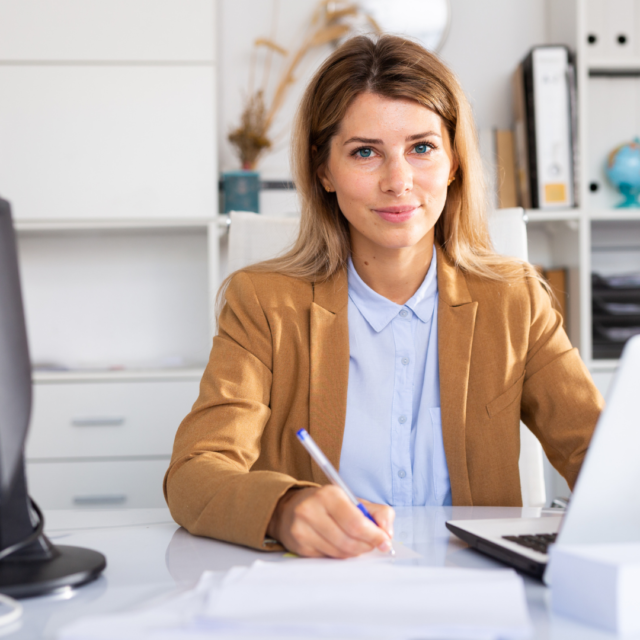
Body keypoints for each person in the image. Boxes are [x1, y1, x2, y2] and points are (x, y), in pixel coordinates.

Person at [164, 35, 603, 559]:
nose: (399, 182)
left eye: (422, 148)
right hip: (322, 592)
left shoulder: (516, 301)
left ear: (455, 162)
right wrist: (284, 510)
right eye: (365, 152)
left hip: (477, 598)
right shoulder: (263, 303)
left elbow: (600, 454)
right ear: (323, 170)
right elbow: (194, 473)